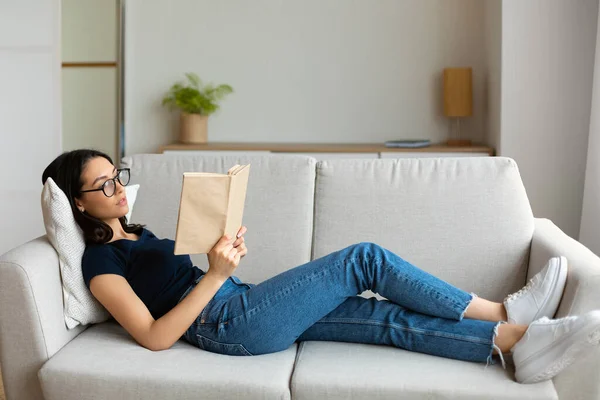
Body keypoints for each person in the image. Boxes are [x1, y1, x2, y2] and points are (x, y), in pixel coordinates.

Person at [42, 149, 600, 385]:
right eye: (104, 185)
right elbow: (155, 337)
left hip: (237, 297)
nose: (118, 187)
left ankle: (513, 340)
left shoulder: (135, 232)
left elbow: (182, 281)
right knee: (365, 259)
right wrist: (212, 275)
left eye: (118, 175)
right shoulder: (100, 261)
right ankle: (503, 308)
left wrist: (220, 255)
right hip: (227, 323)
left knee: (381, 320)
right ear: (78, 203)